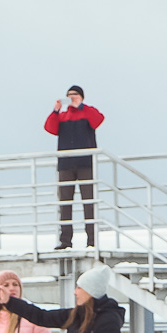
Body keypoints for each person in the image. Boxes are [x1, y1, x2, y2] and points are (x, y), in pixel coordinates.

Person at [45, 86, 104, 250]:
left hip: (86, 163)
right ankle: (65, 241)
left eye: (75, 95)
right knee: (65, 204)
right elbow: (50, 128)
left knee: (89, 203)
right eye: (69, 96)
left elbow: (98, 120)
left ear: (82, 97)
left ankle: (92, 241)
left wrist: (81, 106)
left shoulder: (88, 112)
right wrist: (55, 111)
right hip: (66, 165)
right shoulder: (62, 116)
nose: (72, 98)